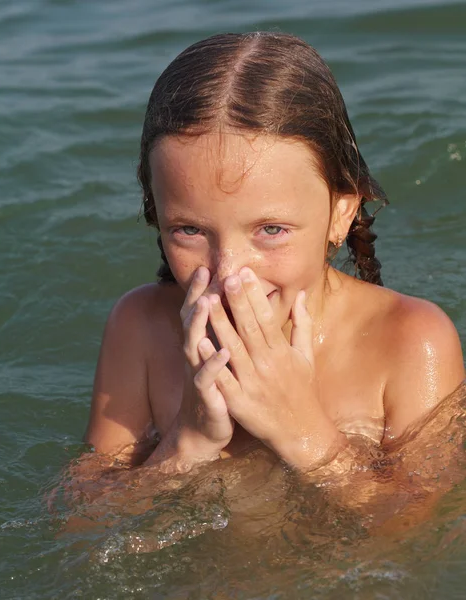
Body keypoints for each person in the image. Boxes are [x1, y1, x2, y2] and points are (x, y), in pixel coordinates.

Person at [84, 32, 465, 478]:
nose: (229, 274)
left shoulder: (411, 342)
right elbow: (81, 529)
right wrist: (187, 440)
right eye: (189, 229)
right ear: (156, 215)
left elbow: (412, 535)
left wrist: (302, 431)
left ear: (341, 214)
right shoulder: (141, 329)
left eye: (271, 230)